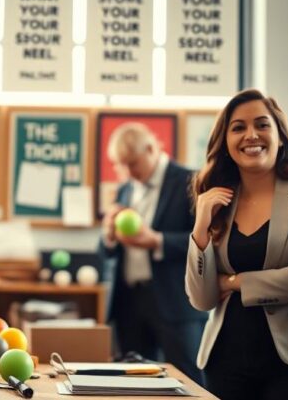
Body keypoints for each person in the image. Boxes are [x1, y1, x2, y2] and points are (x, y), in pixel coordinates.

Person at [185, 89, 288, 400]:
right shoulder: (217, 200)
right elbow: (202, 299)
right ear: (225, 142)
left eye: (262, 124)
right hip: (224, 360)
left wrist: (235, 281)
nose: (251, 135)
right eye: (238, 127)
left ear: (280, 135)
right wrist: (201, 226)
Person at [99, 122, 208, 384]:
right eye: (121, 166)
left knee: (188, 381)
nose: (128, 172)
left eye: (132, 163)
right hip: (128, 302)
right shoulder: (125, 189)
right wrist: (108, 235)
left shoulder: (190, 181)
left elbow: (208, 242)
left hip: (176, 303)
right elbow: (105, 252)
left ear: (150, 149)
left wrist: (156, 241)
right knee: (134, 382)